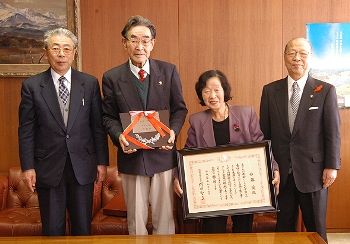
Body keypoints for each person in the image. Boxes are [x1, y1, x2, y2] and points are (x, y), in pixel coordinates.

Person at [18, 28, 109, 236]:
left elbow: (97, 126)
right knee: (52, 229)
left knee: (82, 228)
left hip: (82, 167)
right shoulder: (31, 86)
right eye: (56, 48)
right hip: (48, 167)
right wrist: (27, 167)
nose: (61, 54)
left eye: (66, 48)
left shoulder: (89, 83)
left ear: (74, 52)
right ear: (46, 51)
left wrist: (102, 161)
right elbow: (26, 130)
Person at [102, 15, 187, 235]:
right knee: (136, 223)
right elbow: (108, 116)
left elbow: (179, 109)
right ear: (124, 43)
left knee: (165, 220)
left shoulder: (168, 72)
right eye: (134, 39)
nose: (140, 46)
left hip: (162, 156)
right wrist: (118, 135)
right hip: (132, 158)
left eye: (145, 40)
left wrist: (173, 132)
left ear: (153, 43)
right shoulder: (112, 77)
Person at [174, 69, 280, 233]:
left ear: (225, 91)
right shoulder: (197, 120)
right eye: (206, 91)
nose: (212, 95)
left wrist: (274, 168)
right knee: (212, 232)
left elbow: (261, 144)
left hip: (242, 185)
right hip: (214, 188)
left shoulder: (246, 114)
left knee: (243, 233)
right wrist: (177, 176)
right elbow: (188, 153)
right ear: (201, 96)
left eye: (217, 89)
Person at [259, 37, 341, 242]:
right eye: (292, 53)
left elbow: (333, 132)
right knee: (284, 227)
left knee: (316, 228)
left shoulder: (325, 91)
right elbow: (265, 134)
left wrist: (332, 166)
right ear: (285, 58)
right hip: (282, 175)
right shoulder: (270, 91)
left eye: (303, 53)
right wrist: (268, 167)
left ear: (311, 58)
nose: (297, 58)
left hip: (314, 172)